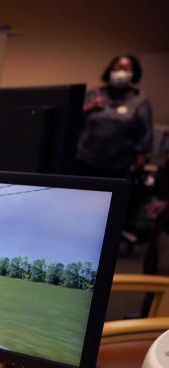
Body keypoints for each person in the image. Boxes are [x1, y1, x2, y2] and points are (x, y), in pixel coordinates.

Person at [75, 54, 153, 242]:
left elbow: (145, 135)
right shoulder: (94, 94)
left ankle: (102, 244)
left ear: (134, 74)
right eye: (117, 67)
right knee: (81, 205)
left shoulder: (139, 102)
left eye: (126, 69)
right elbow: (70, 118)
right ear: (110, 69)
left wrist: (139, 165)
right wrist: (89, 107)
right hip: (85, 160)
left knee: (106, 211)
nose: (121, 73)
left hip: (116, 166)